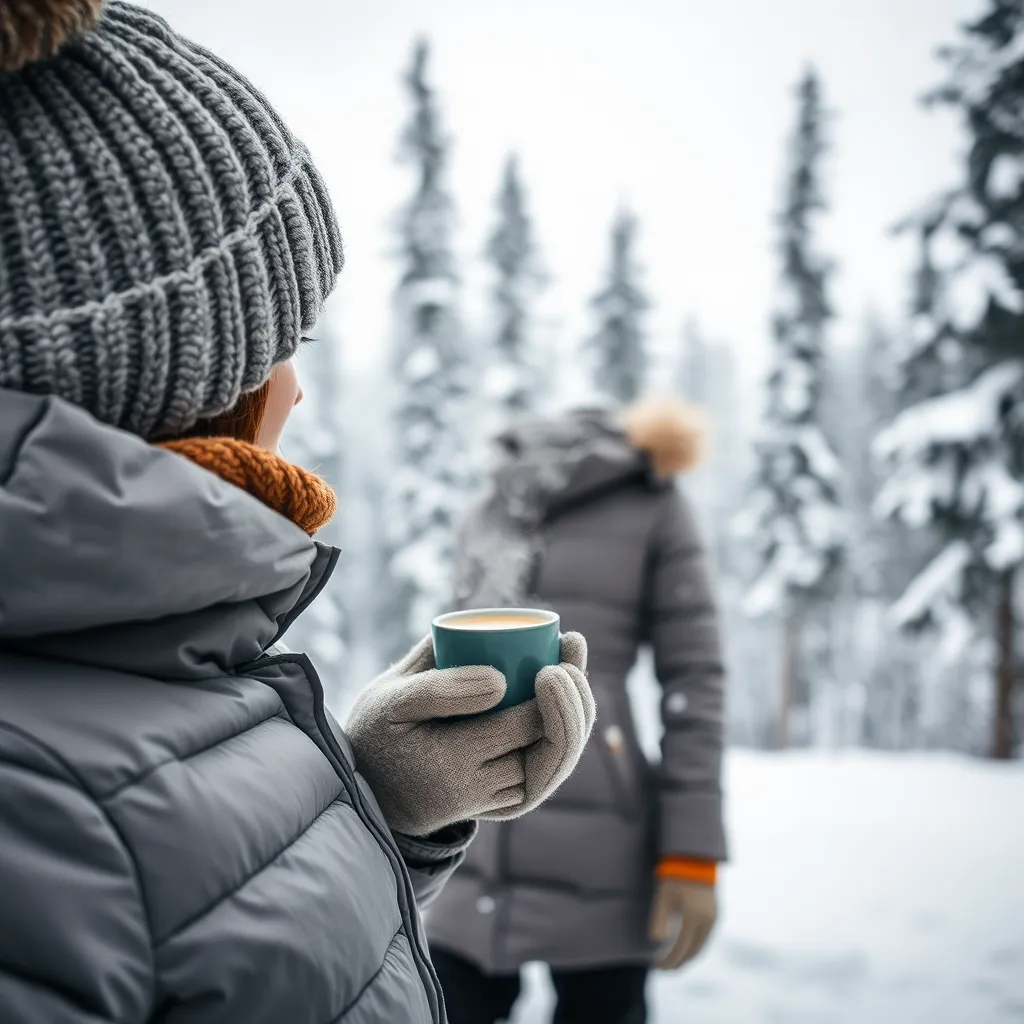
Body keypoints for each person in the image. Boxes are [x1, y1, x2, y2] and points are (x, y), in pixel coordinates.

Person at [0, 4, 595, 1023]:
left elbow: (211, 947)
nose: (296, 389)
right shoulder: (38, 809)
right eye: (284, 348)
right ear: (165, 380)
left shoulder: (127, 666)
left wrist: (380, 803)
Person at [428, 400, 728, 1024]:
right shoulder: (489, 511)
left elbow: (694, 680)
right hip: (475, 836)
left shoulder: (654, 505)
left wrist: (691, 850)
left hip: (604, 852)